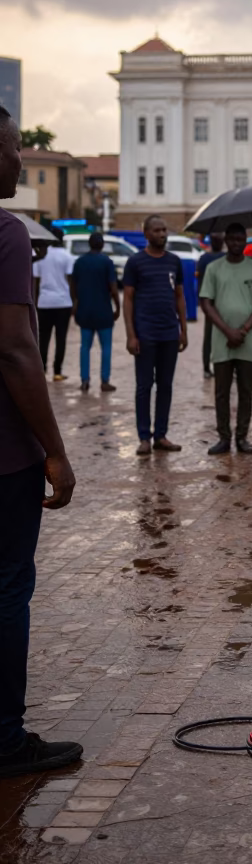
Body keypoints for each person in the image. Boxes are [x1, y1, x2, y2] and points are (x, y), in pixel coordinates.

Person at [0, 105, 81, 777]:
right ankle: (4, 739)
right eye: (10, 150)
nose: (21, 164)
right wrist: (53, 449)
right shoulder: (6, 233)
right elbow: (19, 353)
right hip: (3, 456)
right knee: (6, 590)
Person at [200, 223, 252, 455]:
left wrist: (244, 329)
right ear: (226, 240)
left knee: (246, 390)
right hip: (222, 340)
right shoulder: (213, 268)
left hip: (248, 340)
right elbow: (206, 303)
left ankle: (242, 437)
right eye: (233, 238)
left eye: (241, 239)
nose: (237, 243)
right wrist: (227, 330)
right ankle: (224, 437)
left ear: (246, 241)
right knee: (221, 391)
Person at [122, 215, 188, 456]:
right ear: (146, 233)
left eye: (164, 230)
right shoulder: (135, 262)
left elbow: (179, 296)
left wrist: (183, 329)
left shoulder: (174, 262)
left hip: (169, 333)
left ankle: (161, 435)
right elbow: (127, 299)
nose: (163, 234)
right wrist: (131, 334)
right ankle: (143, 437)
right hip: (145, 333)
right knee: (144, 386)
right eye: (157, 230)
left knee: (166, 386)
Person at [69, 231, 120, 393]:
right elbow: (113, 288)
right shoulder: (107, 262)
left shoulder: (79, 262)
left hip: (84, 310)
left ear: (89, 244)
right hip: (104, 311)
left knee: (85, 347)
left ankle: (85, 380)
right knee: (106, 347)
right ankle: (105, 381)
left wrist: (75, 303)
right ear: (102, 244)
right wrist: (117, 307)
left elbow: (72, 286)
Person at [32, 228, 74, 382]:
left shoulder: (41, 256)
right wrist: (74, 301)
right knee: (60, 338)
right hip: (63, 302)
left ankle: (41, 369)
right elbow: (70, 281)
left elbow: (35, 282)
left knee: (43, 338)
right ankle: (57, 372)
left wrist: (35, 302)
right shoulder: (67, 257)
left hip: (44, 302)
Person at [197, 234, 224, 379]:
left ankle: (223, 366)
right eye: (216, 239)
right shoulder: (204, 259)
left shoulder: (226, 257)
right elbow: (201, 280)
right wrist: (203, 301)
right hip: (210, 302)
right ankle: (207, 367)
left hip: (225, 302)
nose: (218, 242)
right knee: (209, 336)